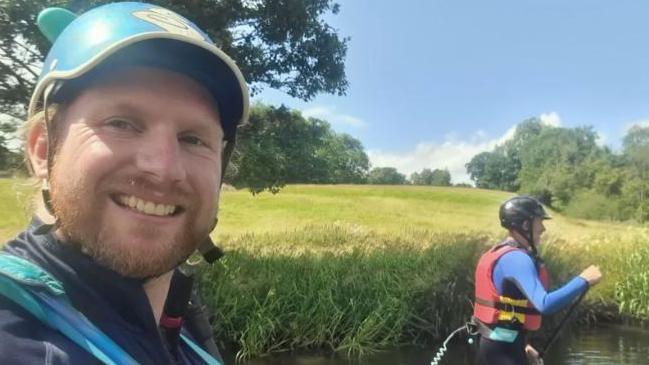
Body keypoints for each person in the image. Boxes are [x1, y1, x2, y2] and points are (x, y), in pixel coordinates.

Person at [0, 2, 248, 364]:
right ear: (42, 149)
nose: (163, 168)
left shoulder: (178, 325)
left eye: (193, 139)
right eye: (121, 123)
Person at [473, 196, 602, 365]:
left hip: (496, 347)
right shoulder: (517, 259)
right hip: (503, 354)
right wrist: (583, 280)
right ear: (525, 225)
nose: (543, 229)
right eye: (539, 222)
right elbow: (544, 304)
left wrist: (524, 345)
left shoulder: (503, 254)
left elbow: (505, 319)